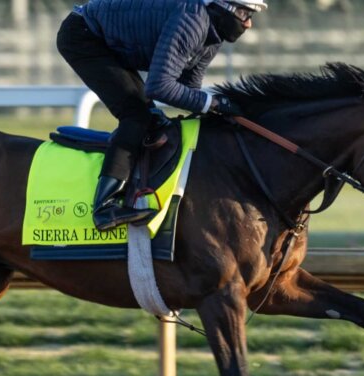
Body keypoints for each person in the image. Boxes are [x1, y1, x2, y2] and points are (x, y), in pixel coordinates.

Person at [57, 0, 267, 231]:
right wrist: (214, 103)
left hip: (105, 40)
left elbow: (189, 87)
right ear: (220, 6)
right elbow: (159, 87)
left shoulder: (213, 33)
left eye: (251, 15)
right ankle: (104, 207)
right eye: (243, 12)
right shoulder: (193, 21)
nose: (247, 23)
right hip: (83, 35)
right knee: (137, 117)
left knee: (155, 119)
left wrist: (218, 110)